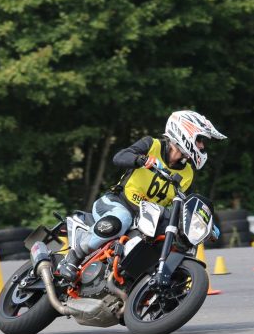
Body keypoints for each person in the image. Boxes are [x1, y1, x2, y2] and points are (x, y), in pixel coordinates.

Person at [57, 110, 227, 281]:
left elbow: (186, 203)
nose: (202, 146)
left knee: (173, 236)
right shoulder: (152, 145)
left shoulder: (188, 173)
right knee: (122, 218)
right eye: (199, 140)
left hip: (146, 218)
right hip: (117, 202)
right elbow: (119, 157)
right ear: (184, 133)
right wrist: (140, 160)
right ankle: (73, 257)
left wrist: (206, 223)